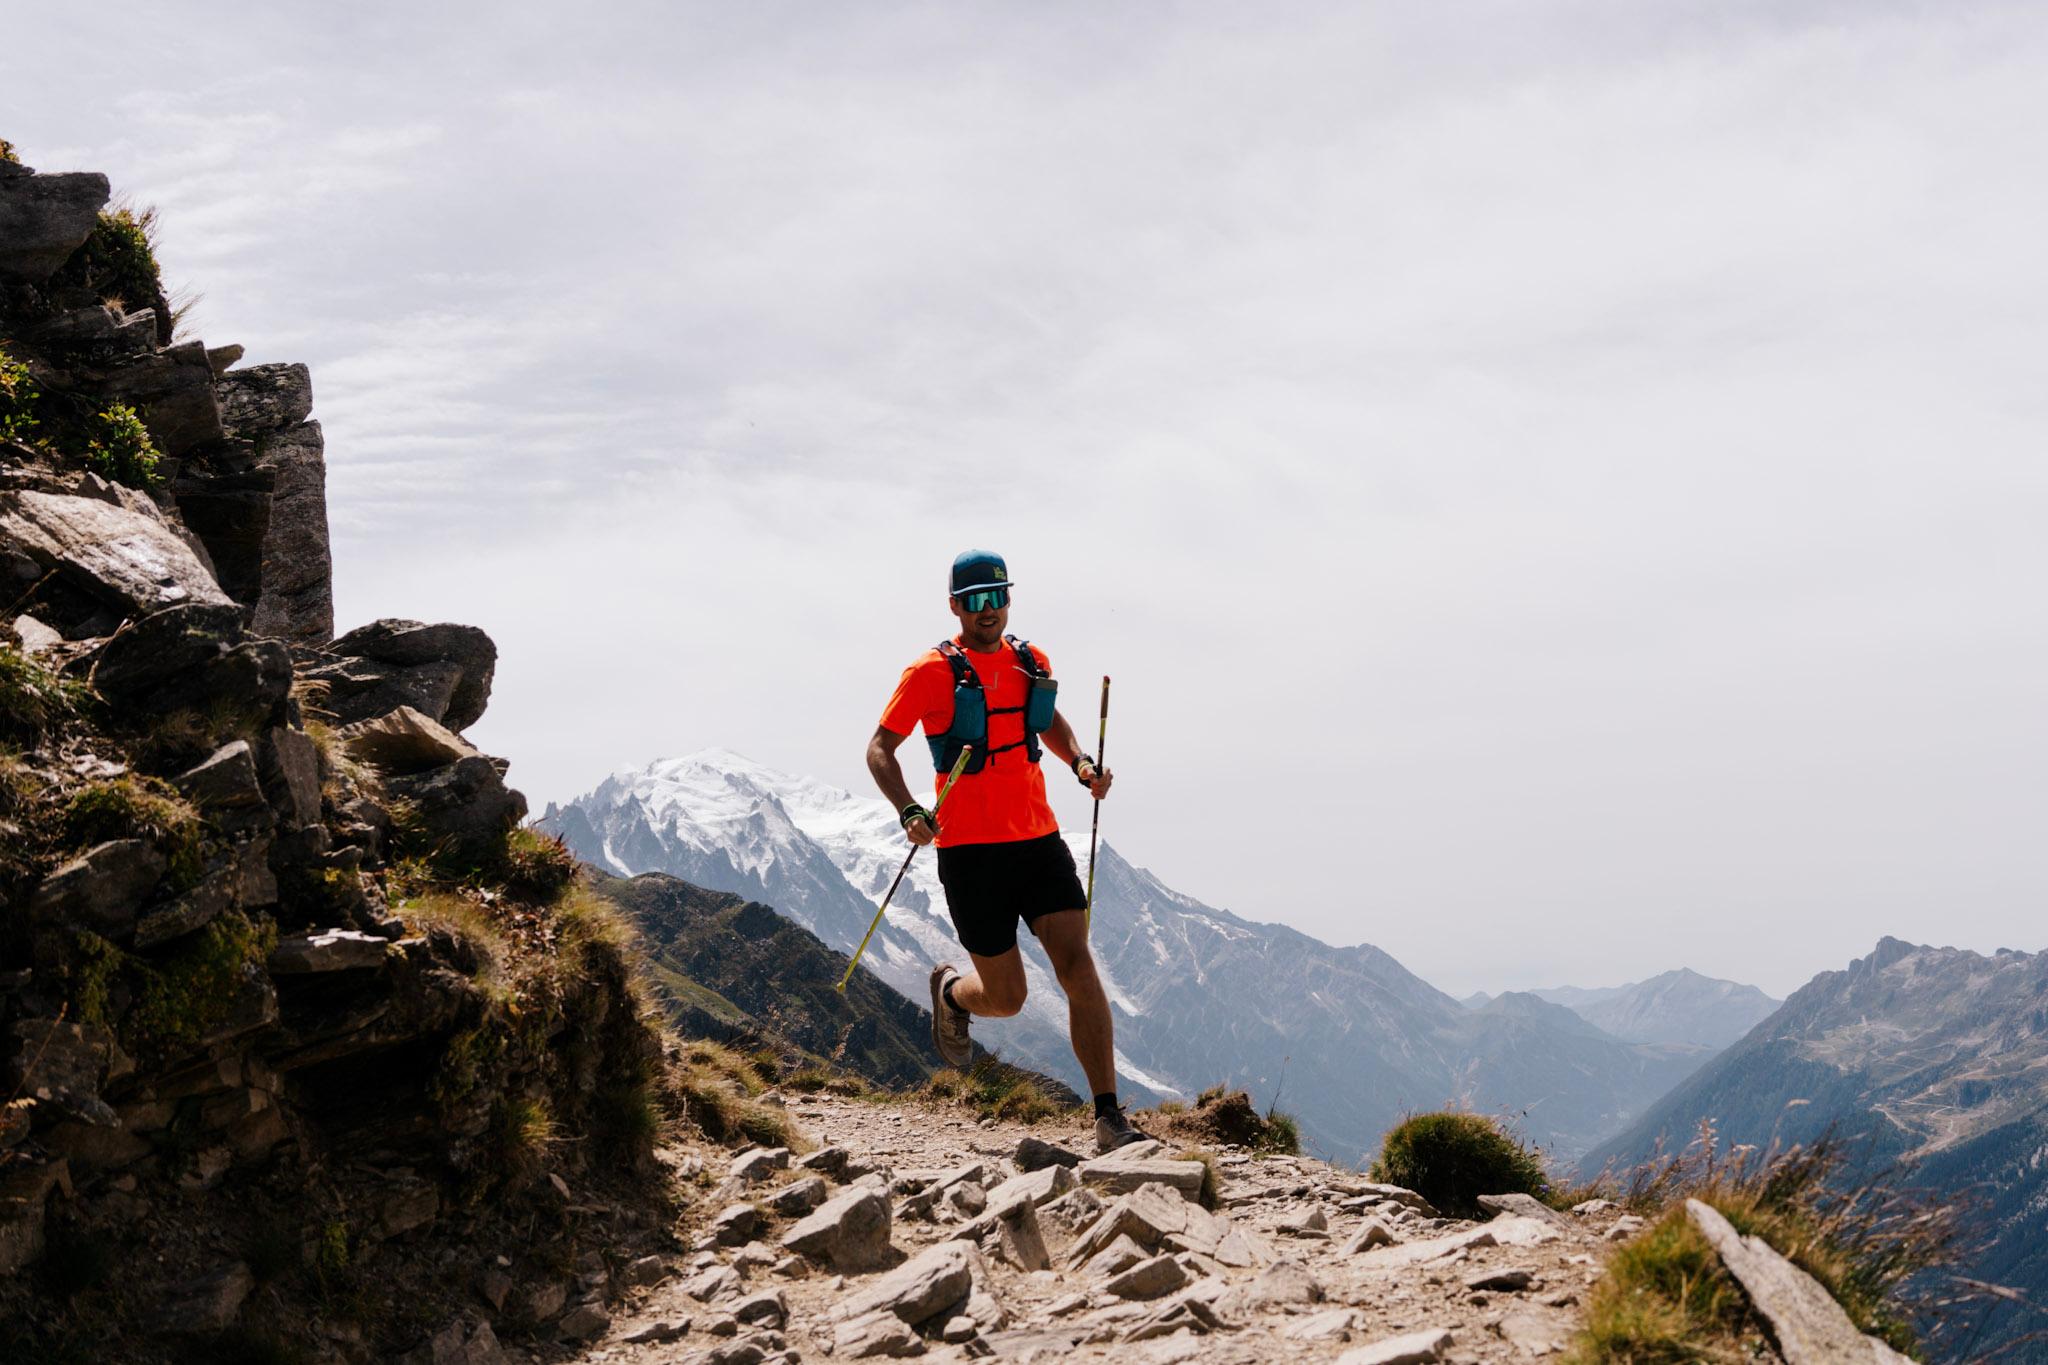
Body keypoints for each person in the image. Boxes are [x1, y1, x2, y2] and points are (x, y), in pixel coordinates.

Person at [866, 549, 1147, 1154]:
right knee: (1008, 998)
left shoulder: (1030, 660)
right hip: (970, 853)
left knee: (1077, 966)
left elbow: (1048, 722)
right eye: (975, 600)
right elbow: (880, 749)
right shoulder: (928, 674)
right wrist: (910, 810)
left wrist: (1082, 763)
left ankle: (1108, 1117)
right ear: (955, 607)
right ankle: (950, 993)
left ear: (1010, 599)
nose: (988, 610)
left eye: (998, 597)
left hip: (1038, 841)